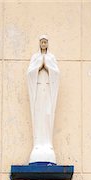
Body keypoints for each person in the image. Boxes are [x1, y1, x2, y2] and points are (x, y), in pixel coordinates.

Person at [27, 35, 60, 164]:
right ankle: (38, 143)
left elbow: (56, 73)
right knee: (38, 115)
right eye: (42, 42)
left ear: (48, 44)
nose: (44, 44)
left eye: (45, 42)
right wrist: (38, 66)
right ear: (39, 44)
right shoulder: (35, 57)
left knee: (47, 114)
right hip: (38, 92)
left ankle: (47, 143)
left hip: (47, 91)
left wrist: (47, 67)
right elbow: (29, 73)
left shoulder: (51, 58)